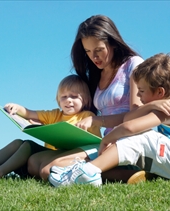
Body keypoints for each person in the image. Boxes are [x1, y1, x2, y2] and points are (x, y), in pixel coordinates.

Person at [48, 53, 170, 187]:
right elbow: (129, 117)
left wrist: (107, 139)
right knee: (146, 141)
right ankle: (86, 171)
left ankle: (88, 172)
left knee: (142, 138)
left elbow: (130, 127)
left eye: (142, 91)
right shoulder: (167, 105)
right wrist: (148, 106)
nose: (138, 95)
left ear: (160, 93)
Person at [26, 14, 145, 182]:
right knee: (34, 163)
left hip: (127, 141)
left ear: (112, 42)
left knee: (49, 170)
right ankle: (109, 172)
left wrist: (98, 120)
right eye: (88, 51)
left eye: (98, 50)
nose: (93, 57)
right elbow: (79, 113)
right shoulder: (96, 75)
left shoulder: (133, 64)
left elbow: (137, 115)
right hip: (105, 140)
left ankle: (130, 174)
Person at [0, 74, 101, 180]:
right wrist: (17, 108)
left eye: (74, 96)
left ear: (85, 99)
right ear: (58, 100)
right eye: (64, 97)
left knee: (28, 145)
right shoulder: (55, 114)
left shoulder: (86, 116)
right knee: (17, 143)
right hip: (44, 156)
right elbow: (30, 113)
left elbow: (93, 143)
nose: (68, 100)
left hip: (63, 160)